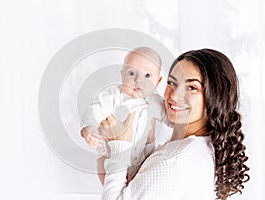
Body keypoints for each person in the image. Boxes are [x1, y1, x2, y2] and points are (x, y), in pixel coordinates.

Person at [100, 49, 250, 200]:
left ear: (215, 98)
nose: (174, 95)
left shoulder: (173, 159)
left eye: (191, 87)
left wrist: (119, 145)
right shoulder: (198, 147)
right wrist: (148, 141)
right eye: (172, 83)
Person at [80, 47, 170, 185]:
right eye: (132, 73)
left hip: (141, 159)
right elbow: (94, 110)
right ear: (122, 74)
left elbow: (171, 119)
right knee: (111, 183)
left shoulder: (154, 101)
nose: (138, 80)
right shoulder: (113, 96)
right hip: (110, 158)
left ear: (157, 82)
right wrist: (89, 128)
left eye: (147, 75)